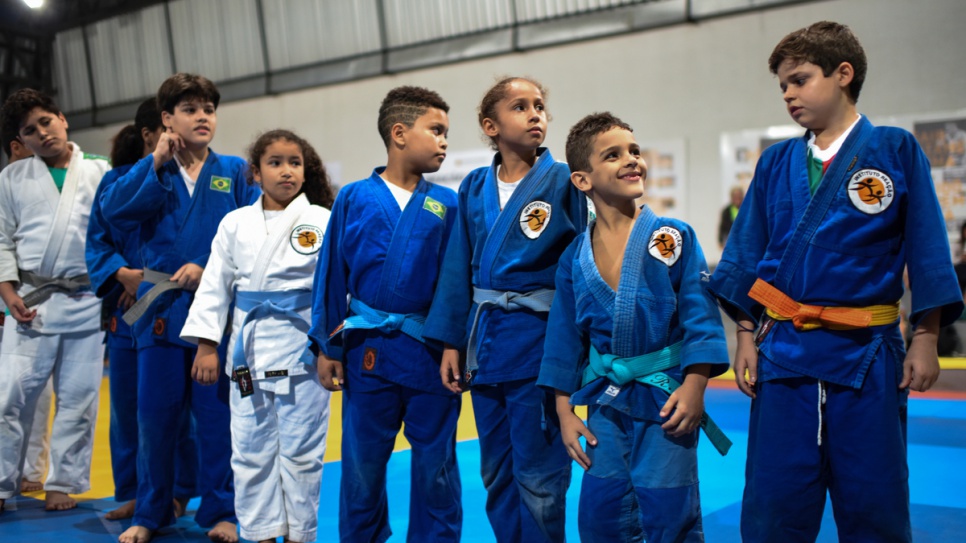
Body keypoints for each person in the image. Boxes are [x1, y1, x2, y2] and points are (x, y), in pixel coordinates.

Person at [707, 21, 964, 542]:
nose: (788, 94)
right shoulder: (777, 161)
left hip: (867, 352)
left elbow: (928, 248)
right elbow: (744, 256)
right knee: (773, 502)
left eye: (799, 80)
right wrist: (742, 333)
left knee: (874, 499)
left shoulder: (894, 150)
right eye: (782, 85)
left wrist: (928, 336)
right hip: (781, 352)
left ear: (843, 74)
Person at [538, 112, 730, 542]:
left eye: (634, 151)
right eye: (613, 155)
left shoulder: (672, 236)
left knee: (668, 512)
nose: (631, 160)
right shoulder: (574, 256)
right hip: (605, 405)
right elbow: (565, 336)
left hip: (667, 402)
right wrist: (563, 409)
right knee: (600, 515)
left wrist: (696, 386)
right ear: (582, 180)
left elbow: (700, 317)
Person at [423, 76, 586, 543]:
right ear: (490, 126)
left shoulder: (563, 180)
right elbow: (458, 267)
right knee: (496, 473)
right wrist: (452, 342)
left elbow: (582, 261)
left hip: (540, 343)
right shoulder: (474, 185)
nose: (536, 114)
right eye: (520, 107)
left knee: (540, 476)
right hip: (486, 345)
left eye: (540, 106)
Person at [101, 73, 259, 543]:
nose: (203, 117)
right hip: (160, 314)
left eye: (208, 108)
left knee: (217, 420)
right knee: (155, 419)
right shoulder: (151, 171)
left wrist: (207, 265)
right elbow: (115, 213)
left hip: (216, 318)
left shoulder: (232, 171)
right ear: (167, 119)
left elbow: (252, 235)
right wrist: (154, 162)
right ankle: (151, 514)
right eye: (190, 110)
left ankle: (222, 511)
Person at [308, 86, 461, 543]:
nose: (444, 141)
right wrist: (327, 347)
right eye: (435, 130)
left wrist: (455, 343)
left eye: (446, 133)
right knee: (362, 465)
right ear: (399, 133)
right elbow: (332, 276)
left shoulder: (447, 203)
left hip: (429, 351)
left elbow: (456, 286)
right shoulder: (354, 197)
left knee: (437, 465)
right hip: (366, 351)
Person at [182, 129, 334, 543]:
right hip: (247, 354)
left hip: (302, 350)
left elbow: (335, 288)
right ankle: (261, 532)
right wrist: (206, 345)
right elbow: (215, 284)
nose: (287, 171)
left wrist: (330, 348)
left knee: (302, 453)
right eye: (276, 162)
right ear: (255, 172)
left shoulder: (321, 220)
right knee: (250, 449)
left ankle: (301, 534)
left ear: (306, 170)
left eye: (295, 163)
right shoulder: (235, 223)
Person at [85, 97, 199, 521]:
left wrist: (153, 275)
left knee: (182, 409)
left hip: (172, 305)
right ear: (149, 135)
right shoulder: (118, 180)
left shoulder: (197, 180)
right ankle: (136, 492)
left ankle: (180, 490)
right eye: (161, 133)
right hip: (126, 309)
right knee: (131, 409)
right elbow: (98, 237)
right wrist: (122, 274)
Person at [0, 88, 110, 512]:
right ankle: (4, 482)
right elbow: (2, 240)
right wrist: (8, 293)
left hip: (85, 299)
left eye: (46, 121)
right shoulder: (12, 179)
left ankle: (62, 482)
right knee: (11, 397)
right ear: (21, 142)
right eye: (30, 130)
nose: (42, 133)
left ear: (62, 119)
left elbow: (115, 233)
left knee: (79, 397)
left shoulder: (102, 171)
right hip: (31, 301)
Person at [1, 125, 53, 495]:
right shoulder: (9, 189)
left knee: (37, 393)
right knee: (11, 397)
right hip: (11, 301)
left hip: (33, 304)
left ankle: (31, 472)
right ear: (16, 146)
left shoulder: (46, 192)